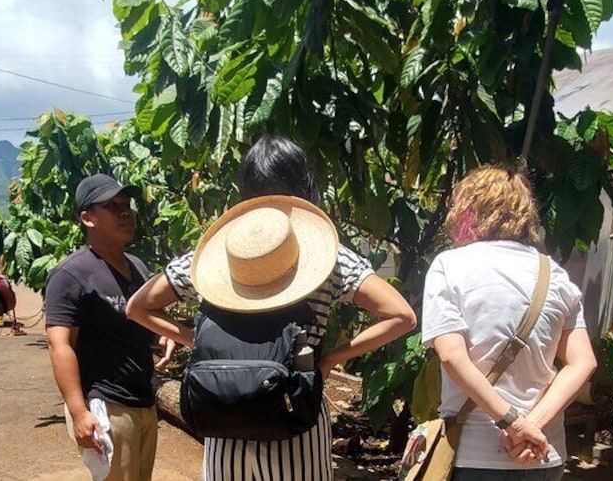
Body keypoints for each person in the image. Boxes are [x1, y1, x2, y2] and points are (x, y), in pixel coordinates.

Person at [125, 135, 417, 481]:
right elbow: (402, 316)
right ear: (303, 186)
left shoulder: (221, 256)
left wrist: (197, 342)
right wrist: (328, 361)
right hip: (295, 415)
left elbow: (138, 308)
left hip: (225, 416)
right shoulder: (328, 257)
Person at [421, 165, 597, 481]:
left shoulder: (450, 265)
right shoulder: (554, 274)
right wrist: (532, 425)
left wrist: (513, 423)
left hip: (472, 455)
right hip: (543, 453)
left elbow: (451, 355)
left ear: (467, 210)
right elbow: (583, 362)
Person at [45, 174, 165, 481]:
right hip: (107, 405)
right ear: (87, 218)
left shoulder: (138, 267)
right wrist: (78, 412)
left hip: (144, 401)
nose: (125, 212)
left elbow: (147, 321)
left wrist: (163, 336)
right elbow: (60, 344)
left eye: (127, 204)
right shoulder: (71, 275)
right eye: (112, 206)